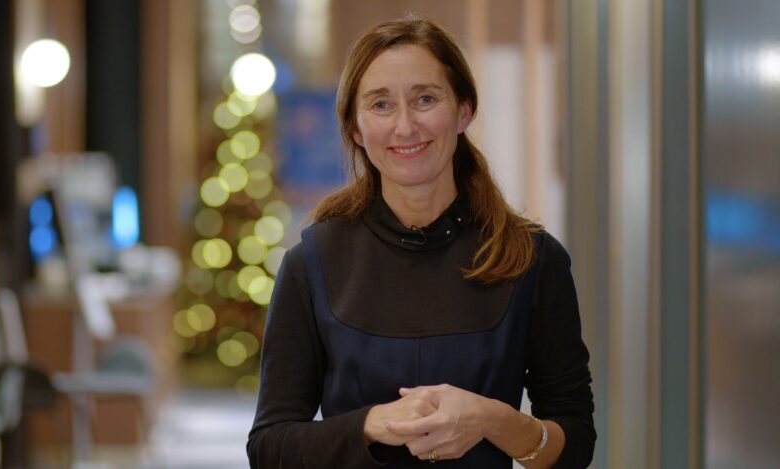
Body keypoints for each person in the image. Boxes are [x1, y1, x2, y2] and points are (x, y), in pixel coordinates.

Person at [246, 15, 595, 468]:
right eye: (381, 104)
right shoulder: (311, 263)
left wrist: (490, 418)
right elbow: (269, 448)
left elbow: (576, 444)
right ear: (356, 127)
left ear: (464, 110)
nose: (405, 126)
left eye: (425, 99)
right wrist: (373, 423)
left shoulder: (532, 259)